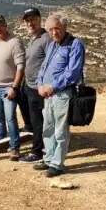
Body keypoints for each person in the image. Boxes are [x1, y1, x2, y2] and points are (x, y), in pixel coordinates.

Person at [35, 14, 85, 177]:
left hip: (62, 94)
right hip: (47, 94)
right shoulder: (52, 45)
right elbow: (43, 67)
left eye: (57, 28)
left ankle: (57, 164)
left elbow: (73, 72)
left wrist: (53, 87)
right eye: (50, 30)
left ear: (64, 27)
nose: (54, 33)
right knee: (47, 128)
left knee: (60, 130)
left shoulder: (74, 44)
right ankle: (49, 159)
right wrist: (40, 84)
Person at [0, 14, 26, 160]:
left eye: (0, 24)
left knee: (10, 117)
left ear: (6, 25)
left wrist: (15, 87)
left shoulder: (15, 42)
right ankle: (0, 142)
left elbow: (21, 67)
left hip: (8, 87)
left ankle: (14, 146)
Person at [19, 8, 52, 164]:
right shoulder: (33, 38)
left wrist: (43, 84)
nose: (30, 23)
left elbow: (50, 63)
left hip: (39, 88)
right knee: (34, 119)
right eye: (27, 20)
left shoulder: (46, 39)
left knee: (38, 120)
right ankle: (41, 144)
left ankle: (36, 151)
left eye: (33, 19)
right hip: (29, 85)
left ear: (40, 19)